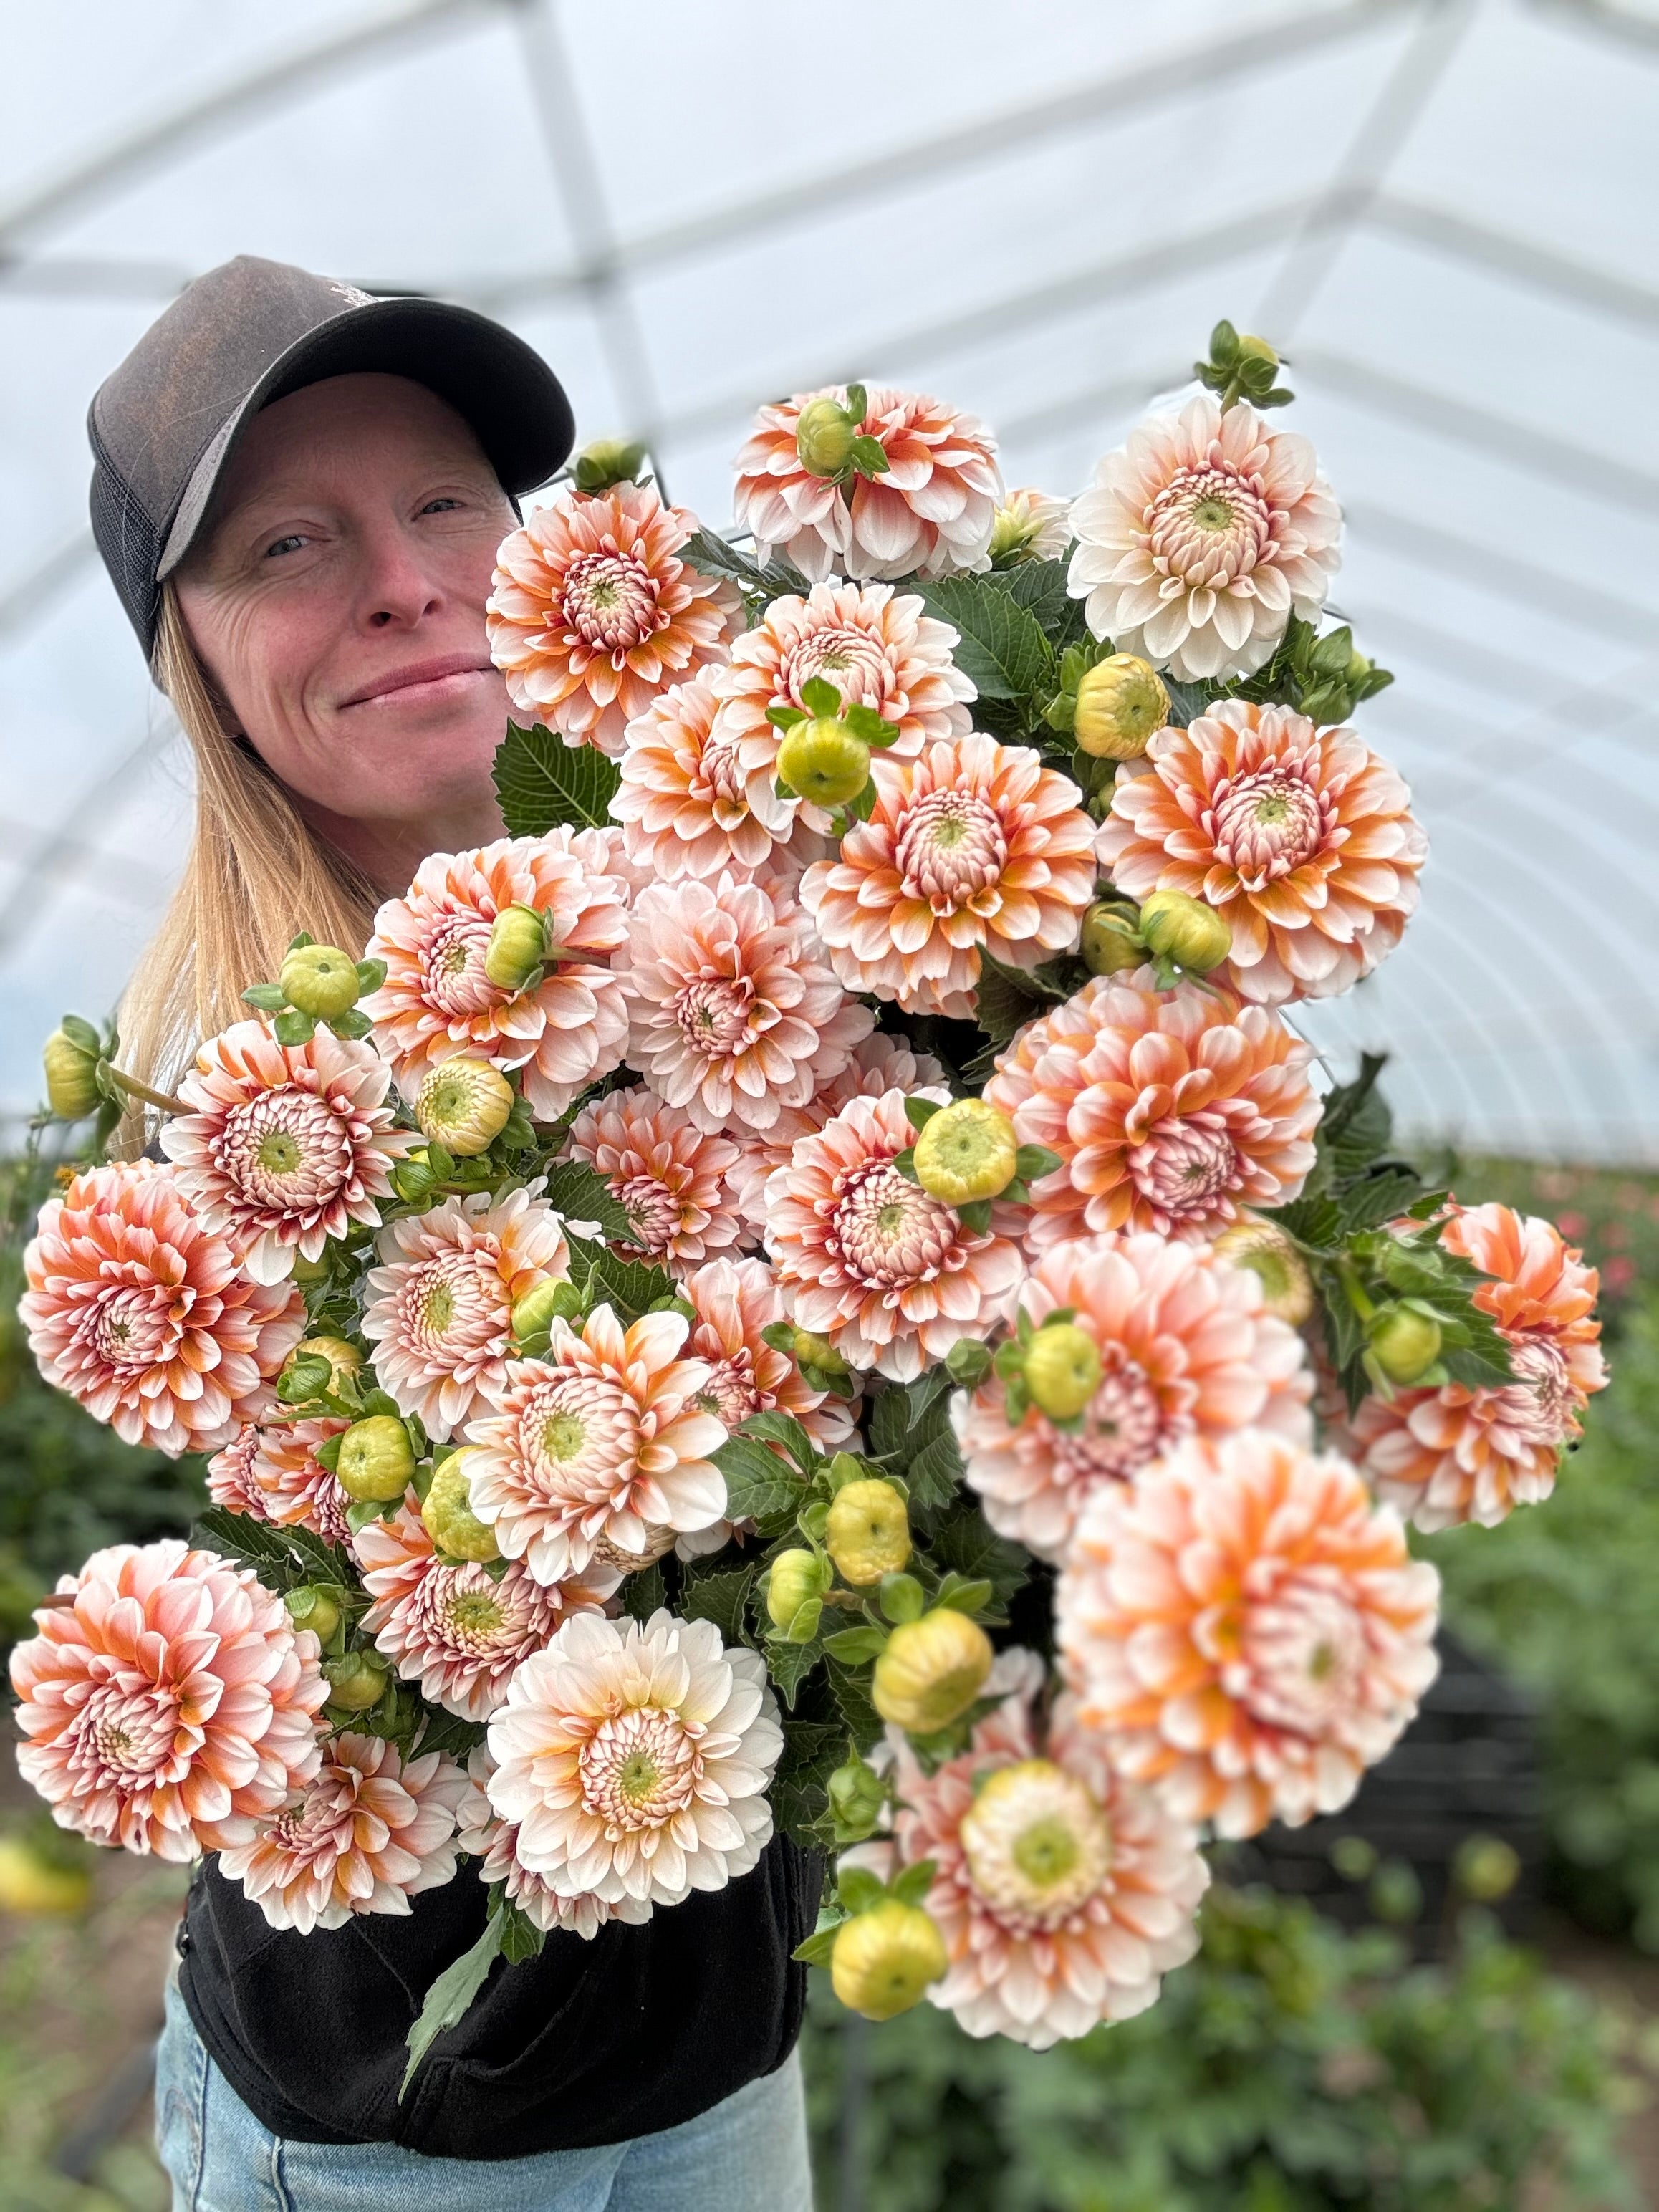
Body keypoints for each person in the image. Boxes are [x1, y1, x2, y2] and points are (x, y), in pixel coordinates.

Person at [87, 255, 819, 2211]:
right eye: (288, 545)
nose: (407, 582)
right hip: (403, 2129)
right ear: (203, 661)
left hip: (726, 2042)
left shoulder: (769, 959)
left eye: (445, 507)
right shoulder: (237, 1140)